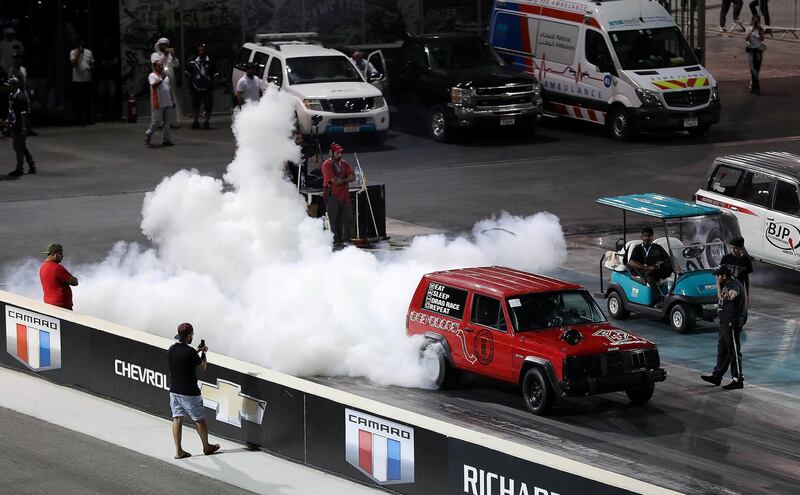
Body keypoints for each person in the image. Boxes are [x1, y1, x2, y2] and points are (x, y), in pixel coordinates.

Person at [168, 322, 220, 459]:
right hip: (189, 392)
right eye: (192, 334)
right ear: (189, 335)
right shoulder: (190, 352)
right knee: (199, 419)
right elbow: (202, 367)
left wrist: (196, 350)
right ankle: (207, 447)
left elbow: (185, 357)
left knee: (177, 419)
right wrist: (203, 353)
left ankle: (178, 451)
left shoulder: (172, 349)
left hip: (174, 391)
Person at [701, 266, 747, 390]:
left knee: (733, 351)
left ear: (725, 276)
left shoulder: (734, 285)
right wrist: (718, 283)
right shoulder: (726, 284)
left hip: (731, 324)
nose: (717, 277)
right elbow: (720, 297)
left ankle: (738, 379)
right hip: (724, 323)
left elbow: (733, 294)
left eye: (718, 275)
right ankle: (717, 376)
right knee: (722, 351)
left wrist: (730, 295)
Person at [626, 226, 673, 305]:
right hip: (642, 271)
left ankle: (673, 295)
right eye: (645, 236)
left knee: (670, 267)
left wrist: (661, 262)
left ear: (652, 237)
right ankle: (660, 298)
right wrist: (646, 268)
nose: (647, 238)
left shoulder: (657, 247)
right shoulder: (638, 249)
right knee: (650, 276)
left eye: (649, 236)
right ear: (641, 237)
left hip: (655, 269)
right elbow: (631, 262)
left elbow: (667, 258)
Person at [322, 142, 355, 247]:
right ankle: (336, 242)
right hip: (333, 196)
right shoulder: (327, 164)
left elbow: (353, 177)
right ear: (331, 153)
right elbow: (335, 181)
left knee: (348, 218)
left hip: (345, 196)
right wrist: (346, 179)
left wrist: (343, 180)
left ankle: (347, 241)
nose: (340, 155)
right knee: (335, 221)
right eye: (337, 153)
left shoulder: (344, 163)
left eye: (340, 153)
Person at [6, 76, 36, 177]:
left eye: (10, 85)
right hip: (15, 125)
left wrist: (23, 127)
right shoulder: (12, 96)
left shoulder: (20, 97)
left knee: (18, 147)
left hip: (20, 126)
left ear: (14, 86)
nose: (8, 87)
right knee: (22, 147)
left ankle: (20, 169)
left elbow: (23, 114)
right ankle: (32, 165)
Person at [150, 37, 180, 127]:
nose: (164, 46)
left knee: (170, 100)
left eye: (166, 45)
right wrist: (165, 55)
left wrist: (173, 56)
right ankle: (158, 122)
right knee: (159, 100)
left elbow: (177, 65)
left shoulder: (170, 55)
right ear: (159, 46)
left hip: (170, 80)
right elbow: (157, 64)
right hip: (159, 80)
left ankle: (169, 121)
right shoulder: (154, 55)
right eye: (162, 45)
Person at [187, 43, 217, 129]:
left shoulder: (210, 62)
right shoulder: (193, 62)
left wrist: (214, 86)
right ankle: (195, 121)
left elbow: (215, 75)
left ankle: (206, 122)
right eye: (199, 50)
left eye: (202, 50)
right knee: (195, 105)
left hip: (207, 88)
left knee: (208, 105)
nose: (201, 52)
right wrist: (189, 86)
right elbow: (188, 75)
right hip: (195, 87)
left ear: (205, 51)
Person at [39, 243, 78, 310]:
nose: (62, 256)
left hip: (49, 303)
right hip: (61, 306)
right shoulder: (57, 268)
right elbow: (74, 282)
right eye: (60, 254)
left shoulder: (43, 266)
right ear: (54, 254)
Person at [145, 59, 174, 146]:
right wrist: (161, 79)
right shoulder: (152, 75)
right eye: (159, 65)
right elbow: (154, 86)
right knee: (157, 122)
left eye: (162, 65)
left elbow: (169, 89)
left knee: (167, 123)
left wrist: (172, 100)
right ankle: (148, 133)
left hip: (167, 102)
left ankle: (166, 140)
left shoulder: (166, 77)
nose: (161, 67)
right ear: (154, 66)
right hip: (158, 102)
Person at [719, 236, 753, 309]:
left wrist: (748, 296)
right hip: (726, 291)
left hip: (738, 291)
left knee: (738, 314)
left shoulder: (746, 260)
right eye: (731, 248)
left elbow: (746, 279)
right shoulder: (726, 258)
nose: (733, 250)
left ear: (742, 248)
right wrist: (719, 294)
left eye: (735, 248)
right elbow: (719, 277)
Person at [69, 39, 94, 125]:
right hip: (77, 80)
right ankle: (79, 120)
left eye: (82, 43)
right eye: (79, 43)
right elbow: (73, 63)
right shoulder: (73, 52)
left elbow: (92, 63)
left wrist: (91, 68)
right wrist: (78, 53)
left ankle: (89, 119)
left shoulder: (89, 52)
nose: (81, 44)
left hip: (87, 79)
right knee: (78, 101)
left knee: (87, 101)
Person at [745, 15, 766, 96]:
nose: (756, 23)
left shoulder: (760, 29)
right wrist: (752, 30)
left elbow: (762, 39)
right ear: (752, 21)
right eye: (755, 21)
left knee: (757, 70)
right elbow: (746, 38)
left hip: (758, 51)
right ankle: (756, 88)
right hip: (751, 51)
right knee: (753, 70)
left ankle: (754, 87)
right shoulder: (748, 28)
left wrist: (761, 32)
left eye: (757, 21)